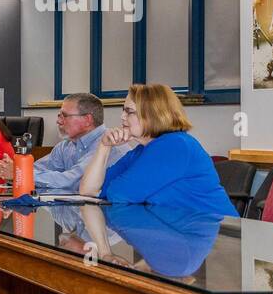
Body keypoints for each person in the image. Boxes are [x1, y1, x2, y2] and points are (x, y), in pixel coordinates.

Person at [78, 83, 236, 216]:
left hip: (221, 237)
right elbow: (89, 190)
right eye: (123, 110)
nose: (122, 117)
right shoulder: (141, 151)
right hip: (182, 234)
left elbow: (118, 194)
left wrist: (109, 190)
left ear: (153, 115)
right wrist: (104, 146)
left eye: (129, 112)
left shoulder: (175, 145)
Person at [0, 93, 129, 192]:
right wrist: (16, 170)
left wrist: (20, 173)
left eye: (64, 116)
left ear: (87, 120)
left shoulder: (109, 143)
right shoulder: (66, 145)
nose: (58, 121)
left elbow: (71, 181)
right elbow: (38, 169)